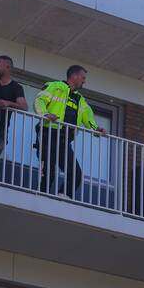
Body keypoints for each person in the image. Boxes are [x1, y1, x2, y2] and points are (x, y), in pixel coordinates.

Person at [34, 64, 104, 199]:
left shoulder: (80, 99)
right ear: (75, 76)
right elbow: (39, 100)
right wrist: (44, 114)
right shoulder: (55, 87)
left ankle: (62, 198)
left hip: (64, 140)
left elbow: (88, 117)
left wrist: (96, 129)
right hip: (49, 133)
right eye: (83, 78)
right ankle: (41, 198)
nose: (84, 81)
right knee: (48, 170)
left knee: (75, 174)